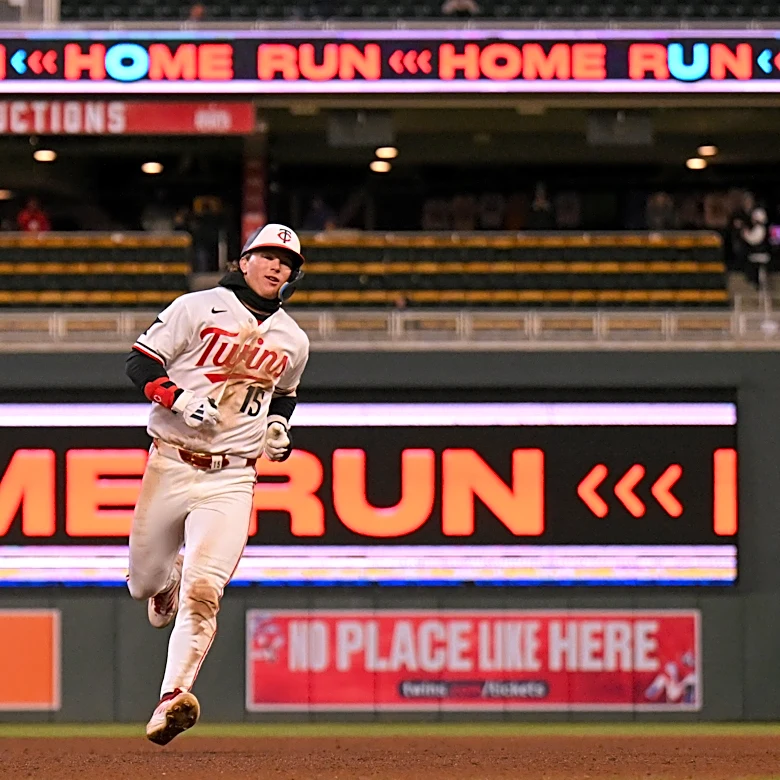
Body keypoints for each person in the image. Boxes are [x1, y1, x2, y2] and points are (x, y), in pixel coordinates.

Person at [124, 223, 310, 746]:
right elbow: (139, 363)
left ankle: (171, 699)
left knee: (206, 591)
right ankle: (167, 583)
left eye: (287, 263)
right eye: (268, 256)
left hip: (232, 476)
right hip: (171, 461)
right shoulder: (197, 306)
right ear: (244, 260)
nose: (277, 267)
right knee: (143, 584)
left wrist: (278, 427)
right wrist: (176, 397)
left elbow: (284, 396)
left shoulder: (293, 339)